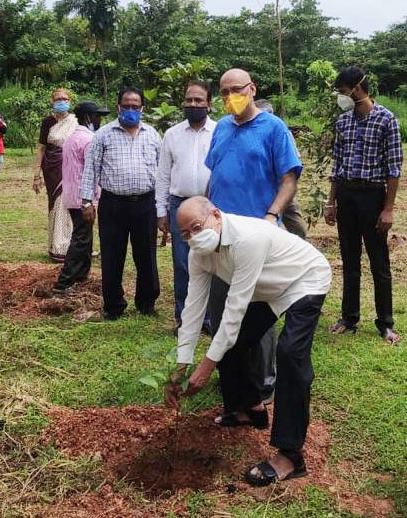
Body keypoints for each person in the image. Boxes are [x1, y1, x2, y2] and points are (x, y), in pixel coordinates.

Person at [164, 197, 331, 487]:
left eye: (197, 227)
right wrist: (180, 365)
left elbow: (235, 309)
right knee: (231, 341)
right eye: (185, 234)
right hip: (266, 288)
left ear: (216, 215)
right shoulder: (198, 254)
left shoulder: (247, 239)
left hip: (304, 279)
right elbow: (193, 308)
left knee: (291, 354)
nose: (192, 237)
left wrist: (205, 366)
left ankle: (290, 456)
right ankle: (249, 408)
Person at [205, 68, 303, 404]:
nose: (230, 96)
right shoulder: (220, 128)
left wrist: (271, 216)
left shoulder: (274, 129)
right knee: (221, 314)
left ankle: (262, 387)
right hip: (221, 238)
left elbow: (289, 179)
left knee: (257, 317)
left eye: (236, 89)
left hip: (258, 239)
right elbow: (215, 177)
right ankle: (232, 386)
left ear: (251, 89)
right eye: (223, 91)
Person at [324, 65, 402, 344]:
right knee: (349, 259)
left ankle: (385, 323)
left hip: (372, 196)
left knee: (379, 261)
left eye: (342, 91)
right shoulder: (343, 122)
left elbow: (394, 169)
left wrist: (388, 208)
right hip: (347, 195)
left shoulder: (386, 120)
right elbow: (338, 164)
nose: (341, 97)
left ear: (356, 89)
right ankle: (349, 317)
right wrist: (331, 202)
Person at [80, 87, 162, 319]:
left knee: (146, 255)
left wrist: (162, 206)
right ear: (118, 107)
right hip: (113, 204)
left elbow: (163, 171)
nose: (130, 110)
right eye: (126, 106)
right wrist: (87, 203)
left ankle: (147, 302)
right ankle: (114, 306)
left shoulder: (153, 135)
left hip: (145, 203)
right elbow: (90, 170)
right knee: (112, 255)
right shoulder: (103, 135)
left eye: (135, 106)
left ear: (142, 109)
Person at [156, 80, 216, 333]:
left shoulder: (220, 131)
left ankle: (211, 319)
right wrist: (161, 211)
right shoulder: (172, 134)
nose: (193, 104)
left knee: (213, 262)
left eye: (199, 100)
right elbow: (163, 175)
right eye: (189, 100)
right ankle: (185, 319)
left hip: (211, 205)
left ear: (209, 104)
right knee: (182, 263)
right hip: (180, 206)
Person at [52, 101, 109, 295]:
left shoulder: (73, 137)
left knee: (84, 235)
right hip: (82, 197)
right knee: (81, 238)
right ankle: (64, 282)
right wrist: (90, 201)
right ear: (88, 117)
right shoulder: (88, 140)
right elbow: (92, 170)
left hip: (72, 194)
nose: (100, 120)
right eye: (97, 116)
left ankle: (81, 275)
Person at [33, 88, 78, 262]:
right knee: (56, 202)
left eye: (65, 99)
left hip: (71, 167)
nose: (62, 101)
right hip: (52, 167)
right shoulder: (47, 122)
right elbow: (42, 148)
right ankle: (56, 245)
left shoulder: (75, 121)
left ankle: (66, 246)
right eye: (58, 99)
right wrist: (36, 175)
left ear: (70, 101)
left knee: (68, 203)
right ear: (52, 101)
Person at [254, 98, 307, 239]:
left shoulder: (282, 131)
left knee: (298, 229)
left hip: (281, 190)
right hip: (258, 191)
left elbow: (294, 163)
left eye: (270, 113)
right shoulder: (252, 133)